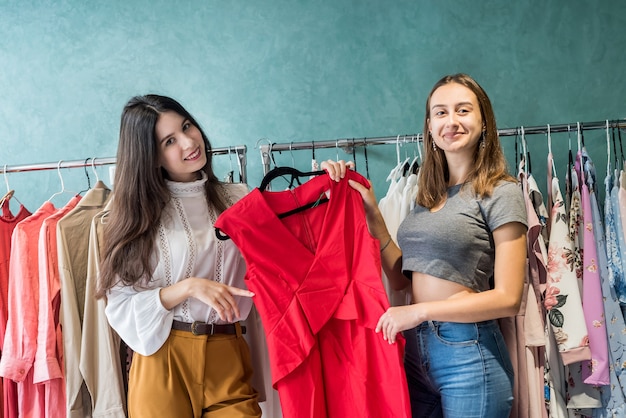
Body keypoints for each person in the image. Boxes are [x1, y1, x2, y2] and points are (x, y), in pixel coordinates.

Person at [323, 73, 528, 418]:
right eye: (441, 112)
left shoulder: (501, 191)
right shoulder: (426, 197)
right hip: (416, 352)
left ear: (484, 122)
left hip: (467, 352)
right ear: (430, 127)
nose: (452, 121)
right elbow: (403, 278)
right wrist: (373, 215)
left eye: (463, 110)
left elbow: (509, 298)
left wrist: (420, 311)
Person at [96, 94, 261, 418]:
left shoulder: (238, 198)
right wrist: (188, 287)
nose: (189, 142)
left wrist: (331, 182)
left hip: (228, 352)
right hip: (162, 360)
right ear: (151, 156)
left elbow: (293, 248)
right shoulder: (136, 214)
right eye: (170, 140)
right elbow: (120, 305)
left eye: (187, 126)